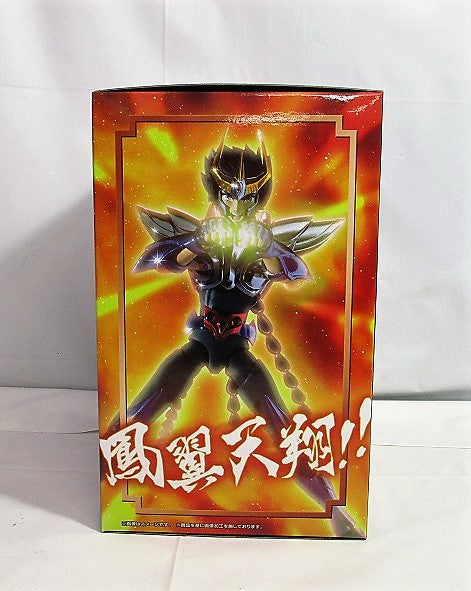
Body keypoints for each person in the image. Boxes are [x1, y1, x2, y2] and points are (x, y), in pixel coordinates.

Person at [126, 133, 362, 537]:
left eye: (247, 198)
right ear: (217, 192)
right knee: (145, 407)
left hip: (237, 347)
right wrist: (197, 242)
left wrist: (265, 248)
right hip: (201, 342)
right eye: (229, 195)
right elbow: (163, 259)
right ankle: (107, 465)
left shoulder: (268, 243)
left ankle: (334, 512)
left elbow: (291, 270)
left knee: (281, 427)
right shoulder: (202, 235)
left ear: (258, 198)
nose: (237, 205)